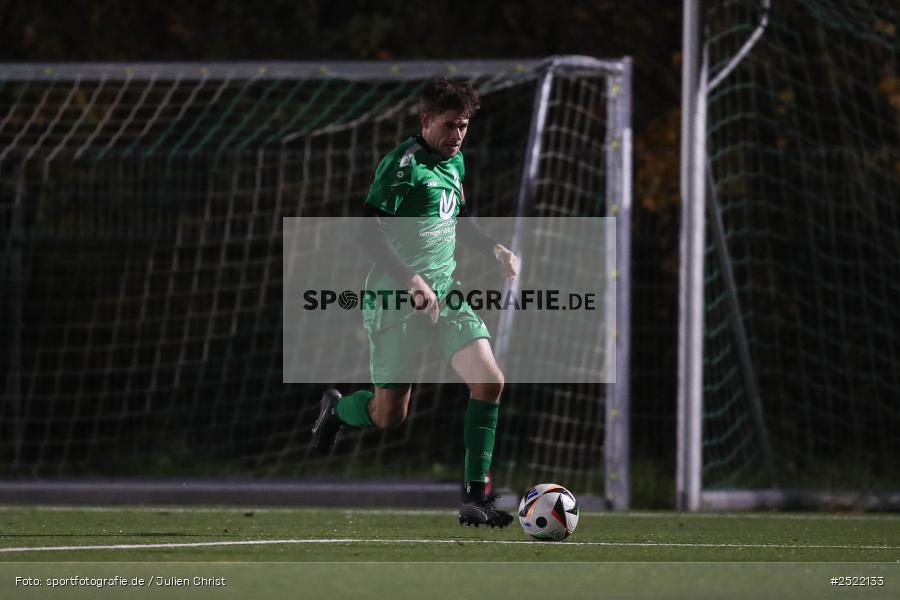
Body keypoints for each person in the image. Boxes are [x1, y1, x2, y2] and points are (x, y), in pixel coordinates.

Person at [310, 77, 519, 528]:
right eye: (450, 125)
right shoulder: (402, 165)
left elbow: (455, 220)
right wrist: (410, 280)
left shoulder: (455, 163)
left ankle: (475, 497)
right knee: (389, 416)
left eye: (464, 126)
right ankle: (338, 410)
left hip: (447, 293)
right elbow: (369, 231)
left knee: (489, 382)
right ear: (426, 121)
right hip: (395, 299)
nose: (458, 135)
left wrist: (493, 248)